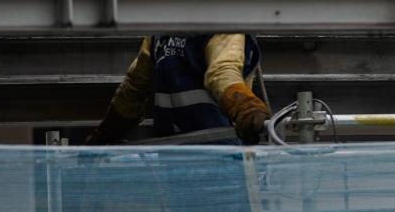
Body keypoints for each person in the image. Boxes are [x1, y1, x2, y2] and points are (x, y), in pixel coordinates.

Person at [85, 33, 271, 146]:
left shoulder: (223, 26)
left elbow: (222, 72)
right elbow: (135, 87)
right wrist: (105, 135)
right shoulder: (160, 34)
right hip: (175, 157)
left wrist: (247, 108)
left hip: (219, 156)